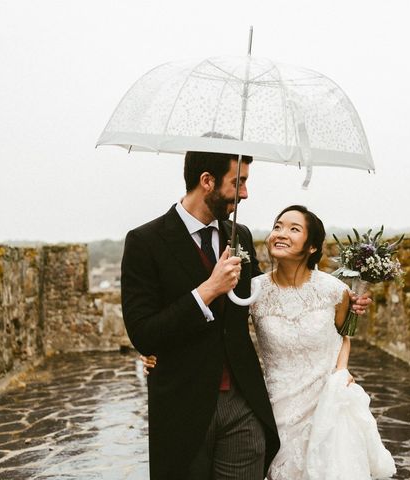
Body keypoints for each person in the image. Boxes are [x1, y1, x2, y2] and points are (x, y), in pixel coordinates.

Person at [124, 151, 372, 480]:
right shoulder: (145, 241)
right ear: (207, 182)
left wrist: (342, 304)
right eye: (238, 182)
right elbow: (143, 332)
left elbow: (268, 295)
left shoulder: (238, 235)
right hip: (183, 404)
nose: (244, 193)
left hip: (243, 404)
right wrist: (207, 291)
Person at [249, 205, 395, 479]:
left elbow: (342, 336)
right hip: (277, 407)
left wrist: (342, 370)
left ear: (313, 246)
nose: (281, 233)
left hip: (326, 405)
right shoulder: (254, 291)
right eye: (278, 226)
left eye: (294, 229)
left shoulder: (334, 290)